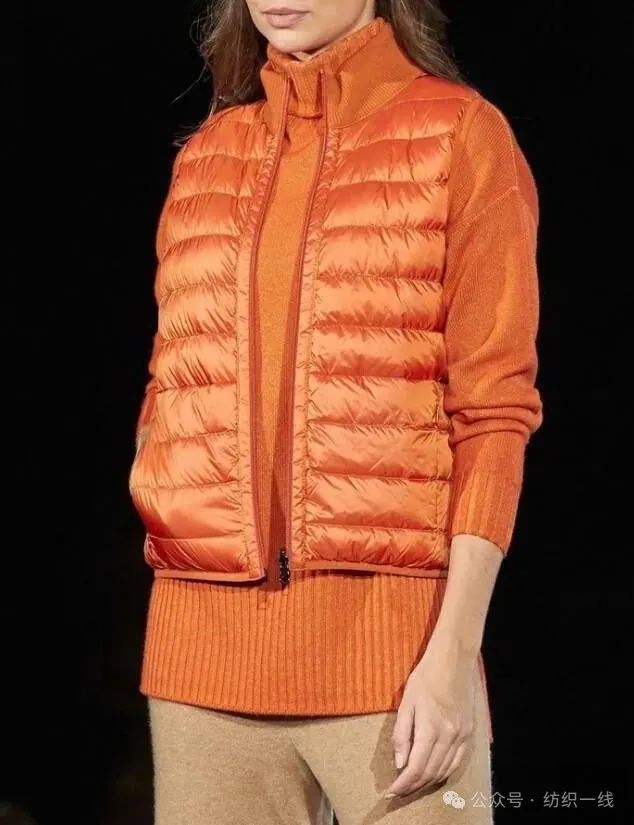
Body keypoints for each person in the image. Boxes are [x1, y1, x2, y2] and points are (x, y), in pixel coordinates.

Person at [129, 2, 543, 823]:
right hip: (202, 665)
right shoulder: (208, 156)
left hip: (397, 662)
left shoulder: (460, 135)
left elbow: (493, 411)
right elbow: (168, 382)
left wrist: (453, 653)